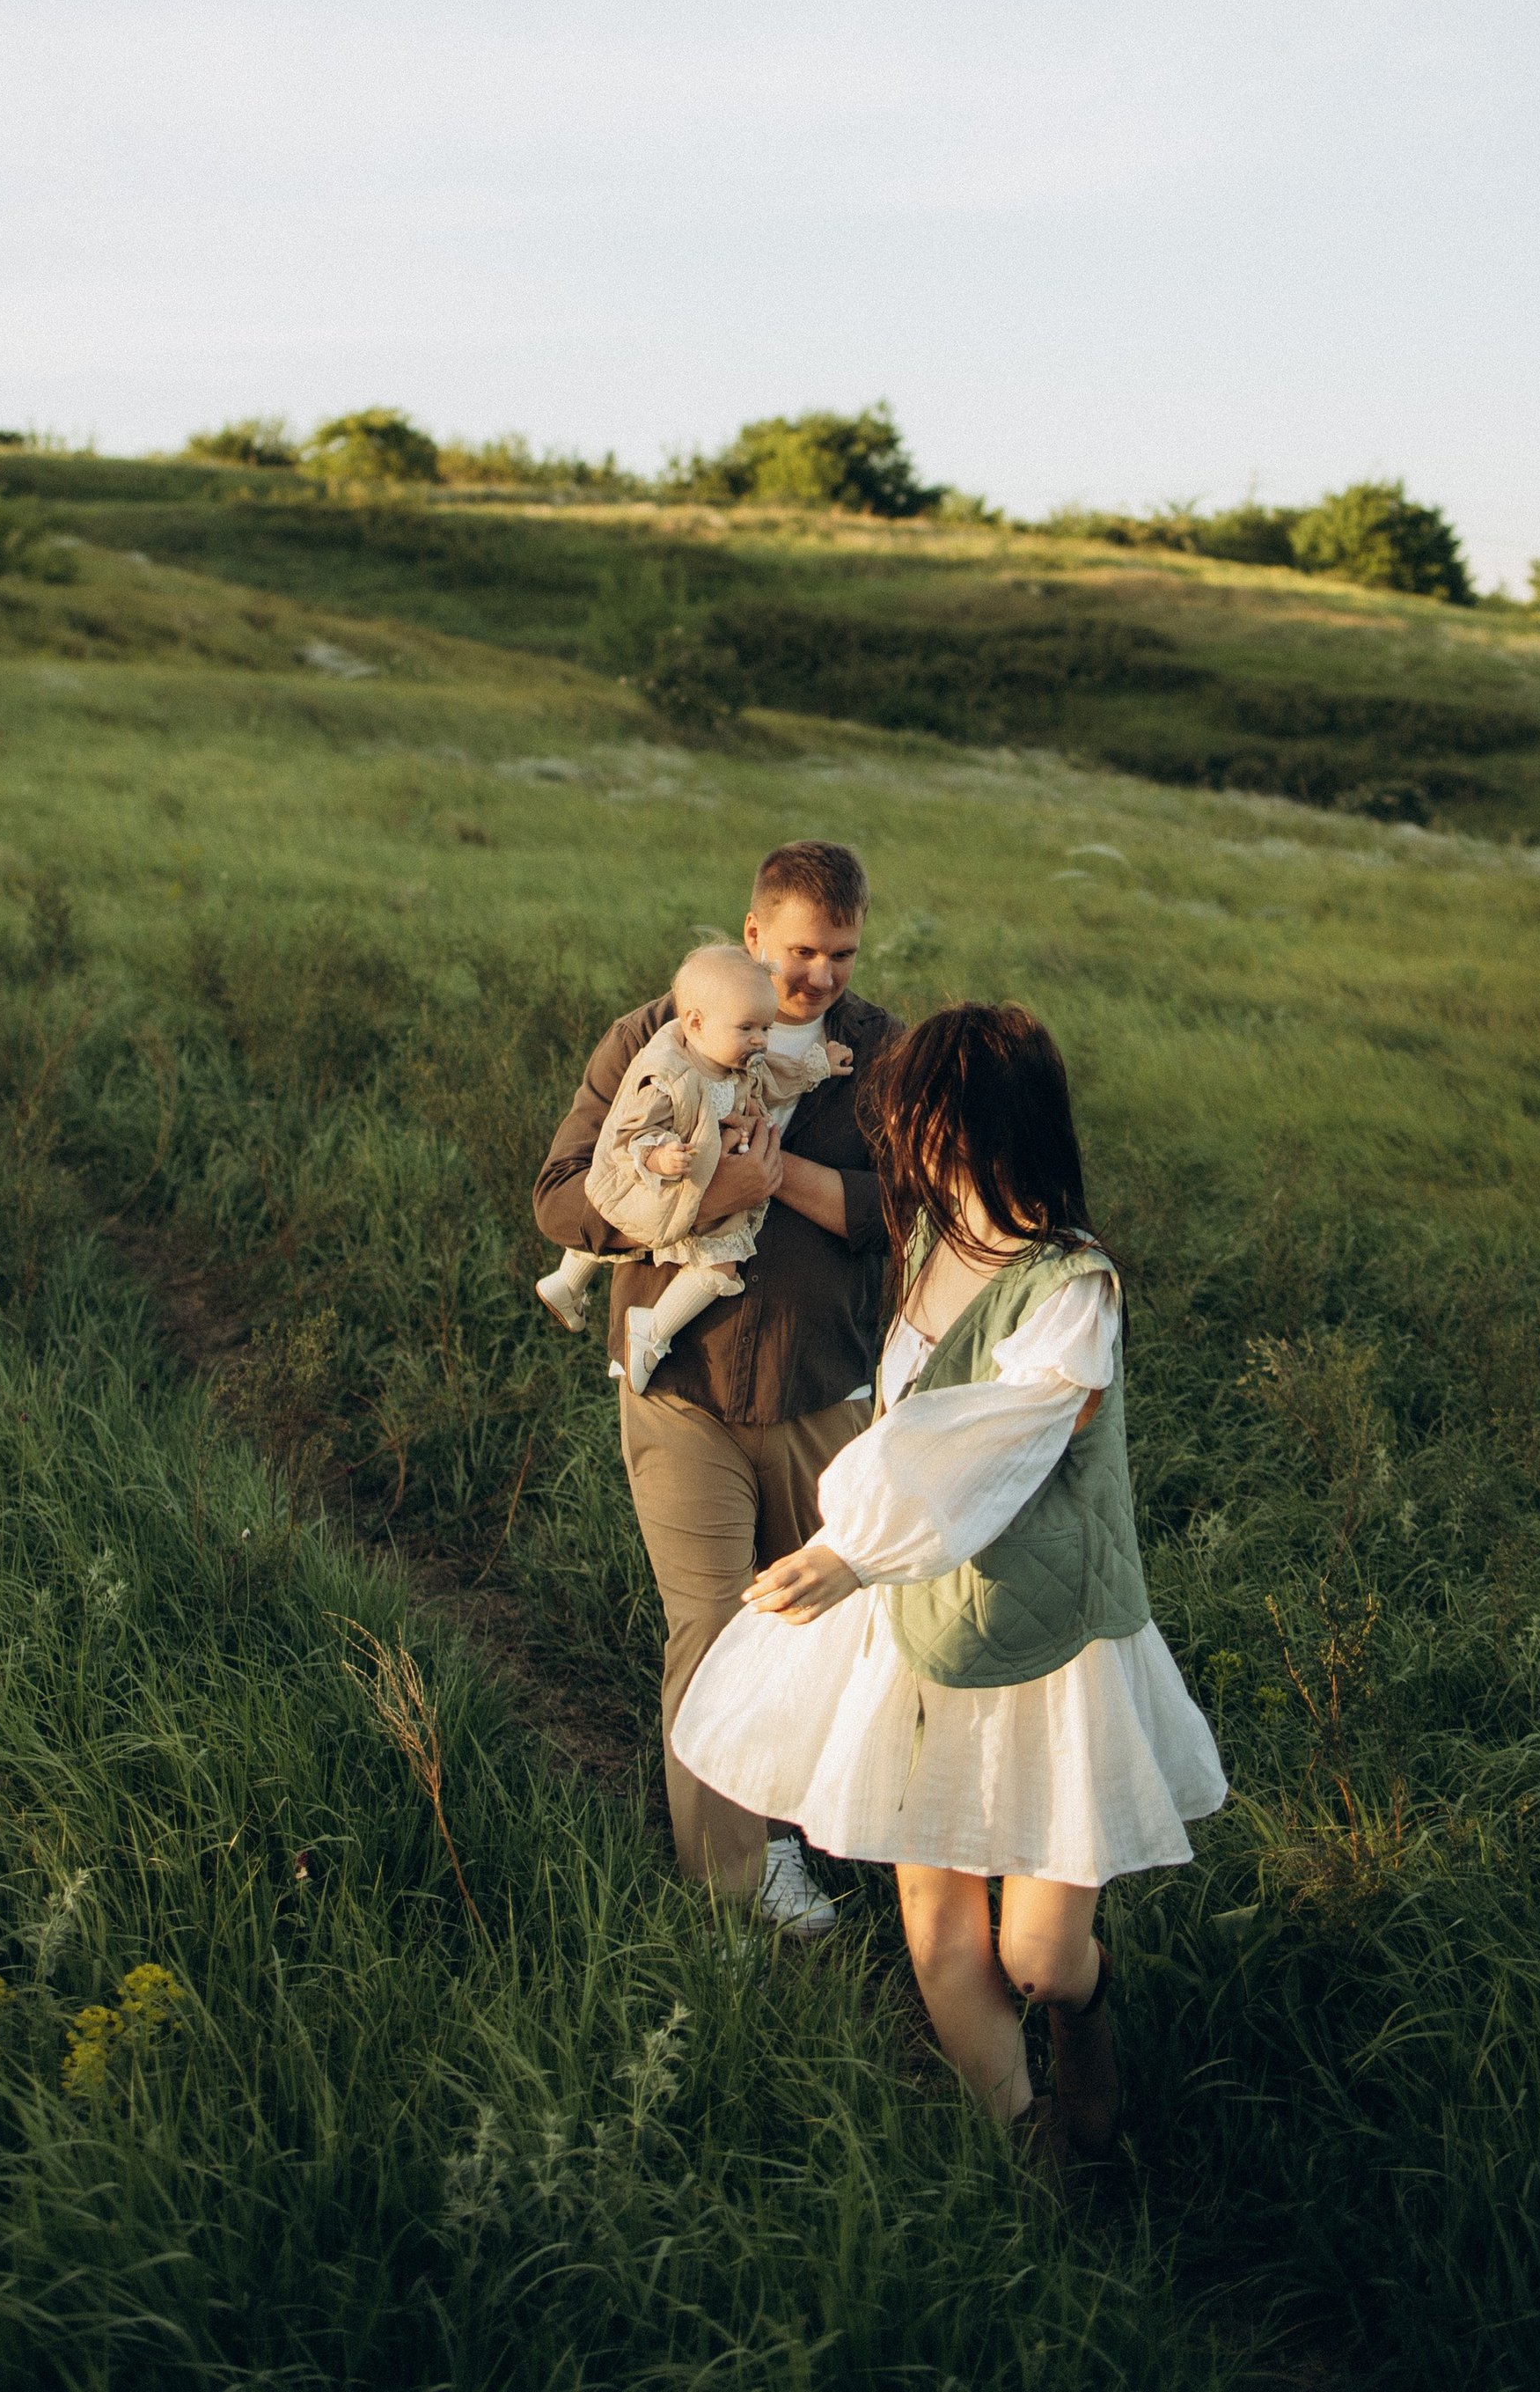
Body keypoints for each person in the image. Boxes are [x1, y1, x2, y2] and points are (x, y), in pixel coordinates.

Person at [671, 1002, 1224, 2176]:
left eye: (921, 1123)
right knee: (935, 1920)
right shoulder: (928, 1248)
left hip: (1052, 1645)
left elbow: (994, 1440)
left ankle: (1083, 2003)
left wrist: (849, 1548)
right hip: (920, 1631)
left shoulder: (1074, 1287)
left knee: (1036, 1953)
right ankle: (1036, 2165)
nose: (904, 1145)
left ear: (980, 1130)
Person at [532, 840, 899, 1930]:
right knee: (707, 1626)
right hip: (679, 1383)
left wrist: (774, 1178)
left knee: (810, 1624)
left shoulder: (879, 1054)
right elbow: (561, 1199)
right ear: (752, 936)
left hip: (822, 1386)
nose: (821, 976)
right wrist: (692, 1197)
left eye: (841, 954)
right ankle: (735, 1882)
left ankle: (809, 1824)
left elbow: (911, 1205)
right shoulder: (655, 1033)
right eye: (801, 951)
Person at [535, 943, 853, 1392]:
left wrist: (818, 1067)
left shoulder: (735, 1063)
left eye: (765, 1026)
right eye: (748, 1028)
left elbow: (776, 1078)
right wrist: (659, 1152)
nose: (762, 1040)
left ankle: (568, 1282)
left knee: (642, 1224)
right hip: (663, 1176)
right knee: (715, 1263)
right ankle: (651, 1331)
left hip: (688, 1180)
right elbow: (632, 1129)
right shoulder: (669, 1076)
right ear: (696, 1023)